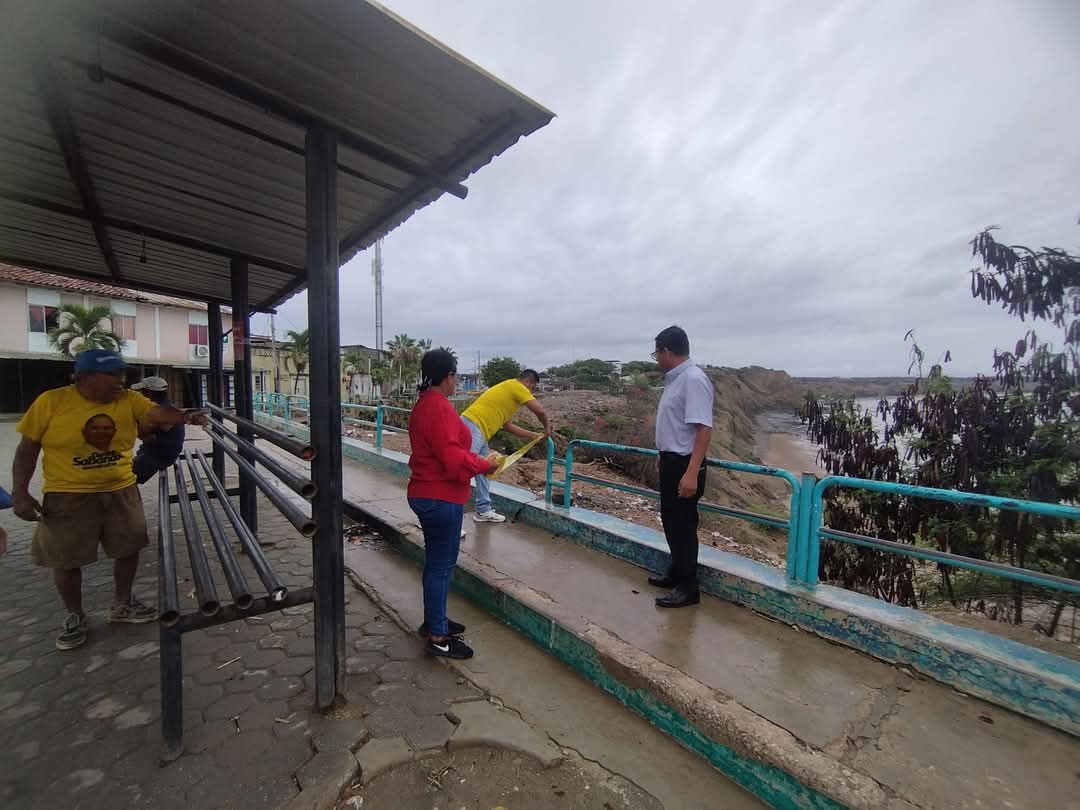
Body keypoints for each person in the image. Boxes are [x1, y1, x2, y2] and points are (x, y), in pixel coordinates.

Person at [11, 349, 208, 650]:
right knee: (65, 559)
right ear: (86, 378)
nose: (120, 381)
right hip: (68, 494)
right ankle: (75, 615)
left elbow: (157, 414)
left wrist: (186, 416)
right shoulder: (51, 402)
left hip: (121, 489)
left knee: (129, 548)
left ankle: (122, 603)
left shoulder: (128, 399)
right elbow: (27, 449)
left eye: (122, 374)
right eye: (112, 375)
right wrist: (20, 492)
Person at [407, 350, 500, 659]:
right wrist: (484, 464)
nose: (456, 380)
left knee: (436, 563)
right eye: (455, 375)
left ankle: (435, 620)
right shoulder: (439, 407)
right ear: (448, 376)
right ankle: (438, 636)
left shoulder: (424, 403)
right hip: (440, 496)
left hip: (428, 492)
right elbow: (452, 457)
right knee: (442, 566)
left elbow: (443, 450)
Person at [648, 326, 714, 608]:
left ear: (666, 351)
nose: (656, 359)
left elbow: (703, 429)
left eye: (656, 354)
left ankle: (688, 588)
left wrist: (691, 473)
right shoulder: (676, 379)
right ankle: (676, 572)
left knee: (683, 525)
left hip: (686, 465)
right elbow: (676, 425)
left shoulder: (693, 379)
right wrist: (663, 452)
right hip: (671, 460)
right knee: (671, 521)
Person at [460, 369, 551, 522]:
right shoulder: (517, 386)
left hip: (480, 430)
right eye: (533, 388)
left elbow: (508, 426)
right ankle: (448, 520)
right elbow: (540, 411)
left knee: (485, 470)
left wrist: (533, 436)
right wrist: (547, 428)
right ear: (528, 382)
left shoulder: (509, 394)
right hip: (473, 426)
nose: (531, 393)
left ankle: (483, 510)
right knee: (463, 469)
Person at [130, 376, 185, 484]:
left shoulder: (163, 411)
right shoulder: (162, 406)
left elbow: (143, 433)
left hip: (159, 456)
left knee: (121, 479)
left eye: (142, 392)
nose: (139, 395)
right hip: (153, 451)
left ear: (149, 393)